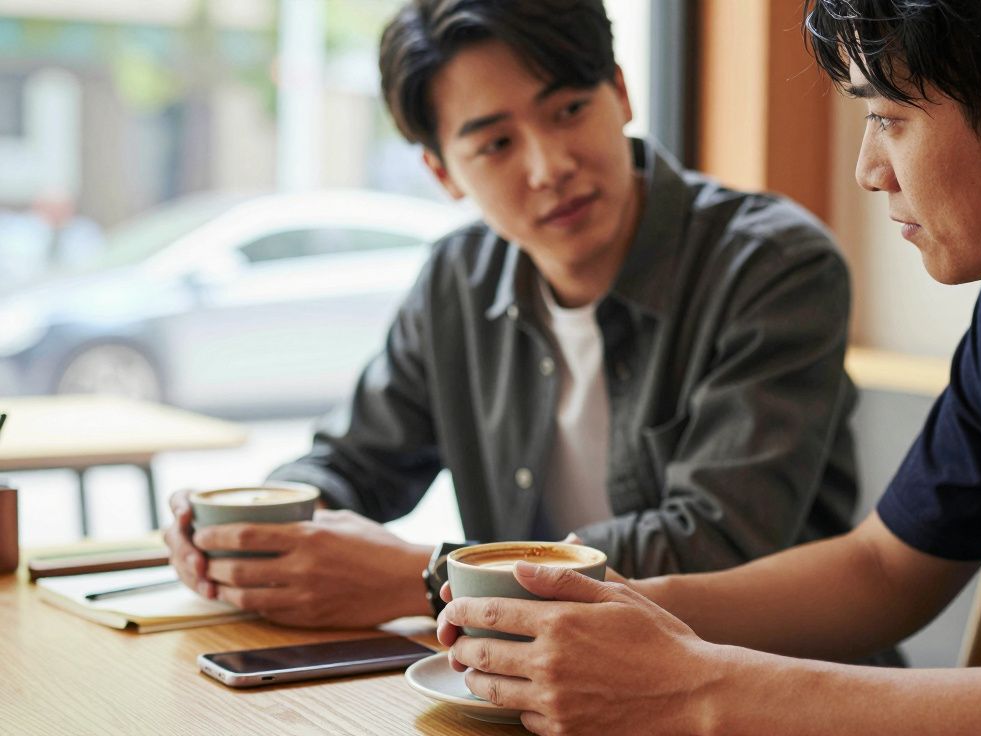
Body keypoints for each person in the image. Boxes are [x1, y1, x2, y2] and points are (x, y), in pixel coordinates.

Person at [433, 0, 981, 733]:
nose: (867, 170)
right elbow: (882, 571)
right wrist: (607, 609)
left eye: (888, 117)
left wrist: (692, 686)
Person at [162, 0, 864, 633]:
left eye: (567, 111)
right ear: (443, 172)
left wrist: (435, 576)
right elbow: (356, 462)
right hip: (532, 685)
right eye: (496, 144)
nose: (549, 166)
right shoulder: (457, 281)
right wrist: (247, 531)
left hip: (762, 680)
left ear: (619, 93)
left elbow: (714, 540)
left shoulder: (771, 265)